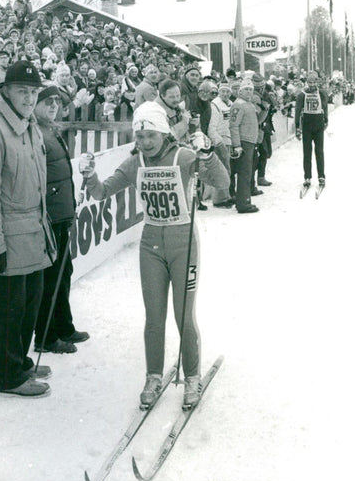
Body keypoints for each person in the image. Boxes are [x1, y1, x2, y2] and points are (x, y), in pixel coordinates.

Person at [78, 101, 229, 408]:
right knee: (153, 318)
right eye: (140, 136)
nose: (145, 143)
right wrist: (90, 175)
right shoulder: (135, 163)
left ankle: (192, 378)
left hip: (183, 243)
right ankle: (153, 376)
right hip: (151, 245)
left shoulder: (182, 156)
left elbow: (222, 182)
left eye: (151, 136)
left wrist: (207, 155)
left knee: (183, 316)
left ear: (163, 133)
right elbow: (101, 193)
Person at [0, 60, 56, 398]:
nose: (30, 98)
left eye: (33, 92)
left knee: (30, 302)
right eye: (22, 91)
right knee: (10, 308)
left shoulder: (27, 123)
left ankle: (20, 361)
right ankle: (8, 375)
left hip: (33, 229)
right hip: (9, 233)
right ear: (5, 90)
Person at [31, 85, 89, 354]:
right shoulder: (35, 132)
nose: (53, 106)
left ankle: (64, 325)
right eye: (47, 101)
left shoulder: (51, 129)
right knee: (52, 276)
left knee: (64, 271)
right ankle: (46, 335)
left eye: (56, 102)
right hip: (49, 216)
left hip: (61, 212)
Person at [228, 80, 259, 213]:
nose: (248, 92)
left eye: (251, 89)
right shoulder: (238, 104)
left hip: (250, 142)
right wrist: (237, 145)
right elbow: (234, 125)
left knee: (247, 172)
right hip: (244, 142)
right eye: (246, 89)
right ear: (240, 91)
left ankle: (244, 199)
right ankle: (243, 203)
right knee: (244, 173)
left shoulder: (249, 104)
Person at [294, 70, 328, 190]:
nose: (312, 85)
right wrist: (297, 128)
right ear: (307, 82)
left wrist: (326, 120)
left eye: (314, 82)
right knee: (307, 152)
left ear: (317, 82)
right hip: (307, 125)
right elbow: (297, 111)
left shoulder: (322, 93)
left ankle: (321, 176)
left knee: (319, 151)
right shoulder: (301, 95)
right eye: (310, 82)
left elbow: (325, 107)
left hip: (318, 125)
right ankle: (307, 176)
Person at [208, 82, 234, 208]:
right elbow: (211, 127)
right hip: (219, 141)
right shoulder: (215, 105)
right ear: (219, 92)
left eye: (228, 91)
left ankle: (226, 195)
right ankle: (219, 199)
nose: (225, 94)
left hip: (228, 140)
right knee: (220, 170)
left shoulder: (230, 104)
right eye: (223, 91)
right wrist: (218, 142)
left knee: (227, 169)